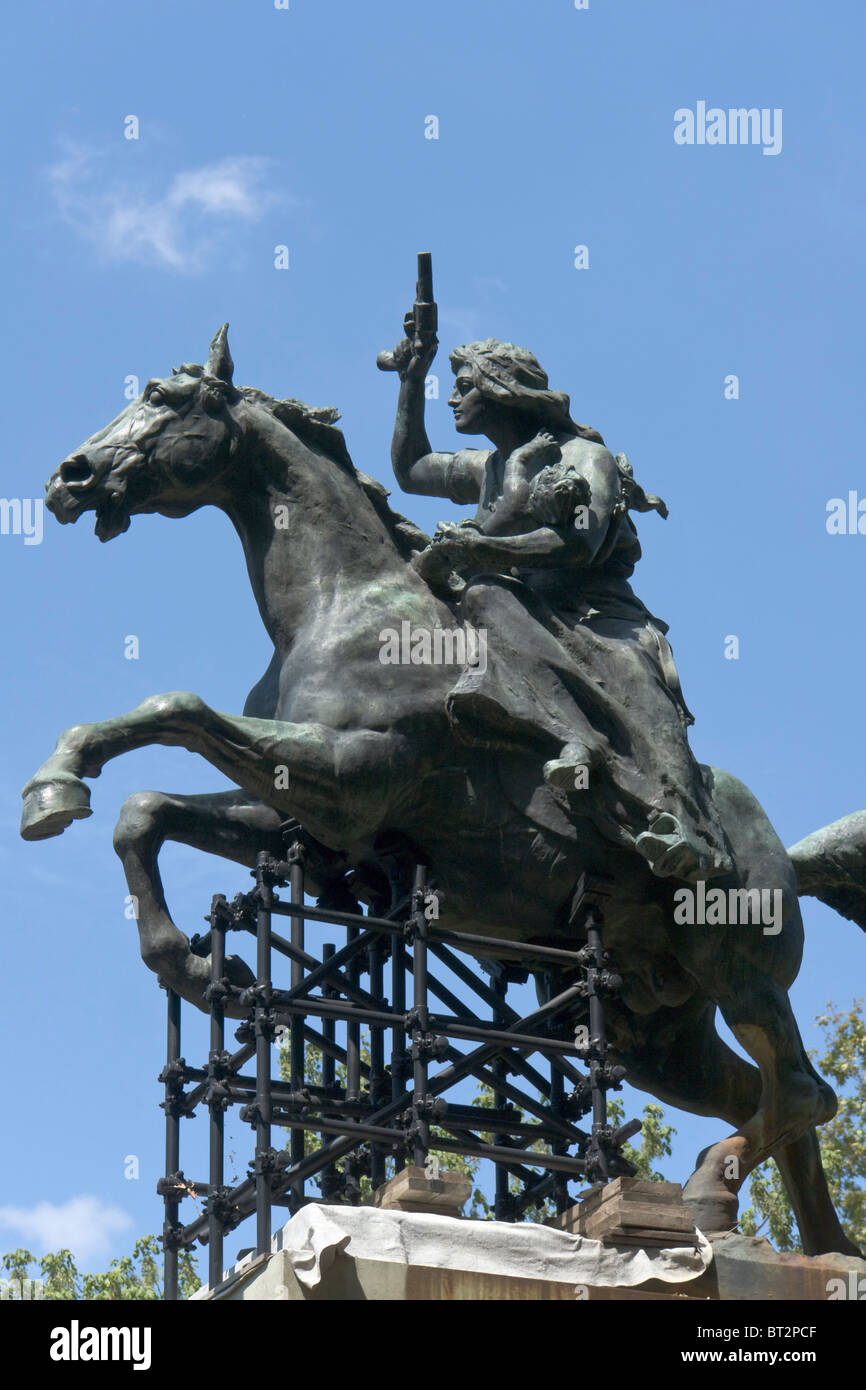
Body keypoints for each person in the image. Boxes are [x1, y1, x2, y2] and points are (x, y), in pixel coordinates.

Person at [383, 324, 732, 883]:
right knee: (479, 601)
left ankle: (689, 827)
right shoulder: (490, 467)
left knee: (634, 683)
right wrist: (411, 379)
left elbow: (579, 544)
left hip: (598, 619)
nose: (451, 397)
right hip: (517, 611)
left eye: (462, 384)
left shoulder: (584, 456)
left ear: (501, 389)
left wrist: (484, 546)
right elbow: (411, 470)